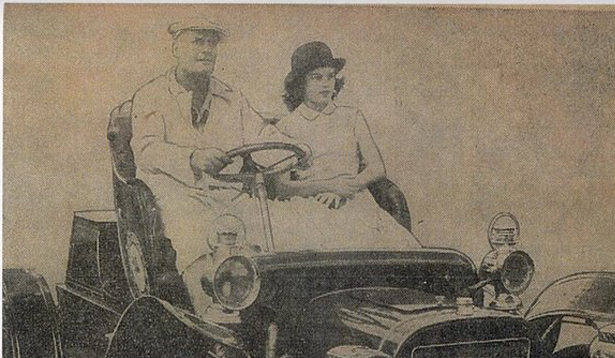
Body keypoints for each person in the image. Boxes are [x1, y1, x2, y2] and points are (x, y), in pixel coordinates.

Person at [131, 17, 290, 273]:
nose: (206, 50)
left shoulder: (231, 97)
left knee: (276, 240)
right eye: (197, 42)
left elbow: (262, 133)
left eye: (211, 44)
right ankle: (209, 308)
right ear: (176, 49)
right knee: (199, 248)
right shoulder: (151, 95)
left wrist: (293, 148)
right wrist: (192, 157)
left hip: (230, 195)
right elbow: (147, 151)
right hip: (177, 195)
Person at [271, 42, 419, 248]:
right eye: (316, 77)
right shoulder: (285, 127)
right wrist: (329, 186)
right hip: (309, 206)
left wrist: (346, 188)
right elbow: (282, 187)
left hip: (354, 200)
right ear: (300, 84)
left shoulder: (352, 116)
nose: (325, 84)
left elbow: (377, 168)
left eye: (330, 76)